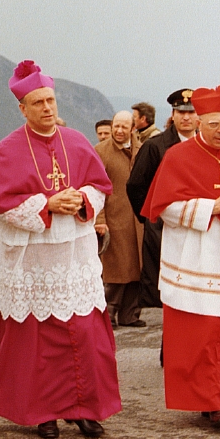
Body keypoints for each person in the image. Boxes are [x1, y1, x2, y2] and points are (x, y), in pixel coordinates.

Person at [0, 60, 119, 439]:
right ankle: (43, 411)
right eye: (38, 102)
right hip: (34, 259)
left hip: (73, 256)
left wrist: (80, 200)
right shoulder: (8, 150)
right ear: (23, 108)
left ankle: (85, 409)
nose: (47, 108)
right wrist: (45, 205)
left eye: (51, 100)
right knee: (37, 339)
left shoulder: (75, 141)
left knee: (83, 334)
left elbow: (100, 187)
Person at [141, 87, 220, 427]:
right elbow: (162, 208)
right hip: (196, 255)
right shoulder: (177, 156)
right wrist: (212, 206)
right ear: (200, 121)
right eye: (214, 124)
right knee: (204, 330)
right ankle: (212, 401)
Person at [126, 89, 199, 309]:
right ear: (173, 114)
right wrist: (149, 218)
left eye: (190, 112)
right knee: (166, 292)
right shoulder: (155, 146)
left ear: (198, 116)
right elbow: (136, 185)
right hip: (164, 228)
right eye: (180, 112)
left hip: (198, 226)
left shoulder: (205, 146)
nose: (185, 117)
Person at [93, 111, 145, 328]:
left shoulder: (142, 149)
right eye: (116, 126)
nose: (119, 131)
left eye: (124, 127)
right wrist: (99, 218)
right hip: (114, 217)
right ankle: (109, 311)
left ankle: (130, 315)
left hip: (138, 220)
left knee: (137, 268)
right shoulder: (100, 152)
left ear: (133, 128)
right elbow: (94, 188)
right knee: (115, 268)